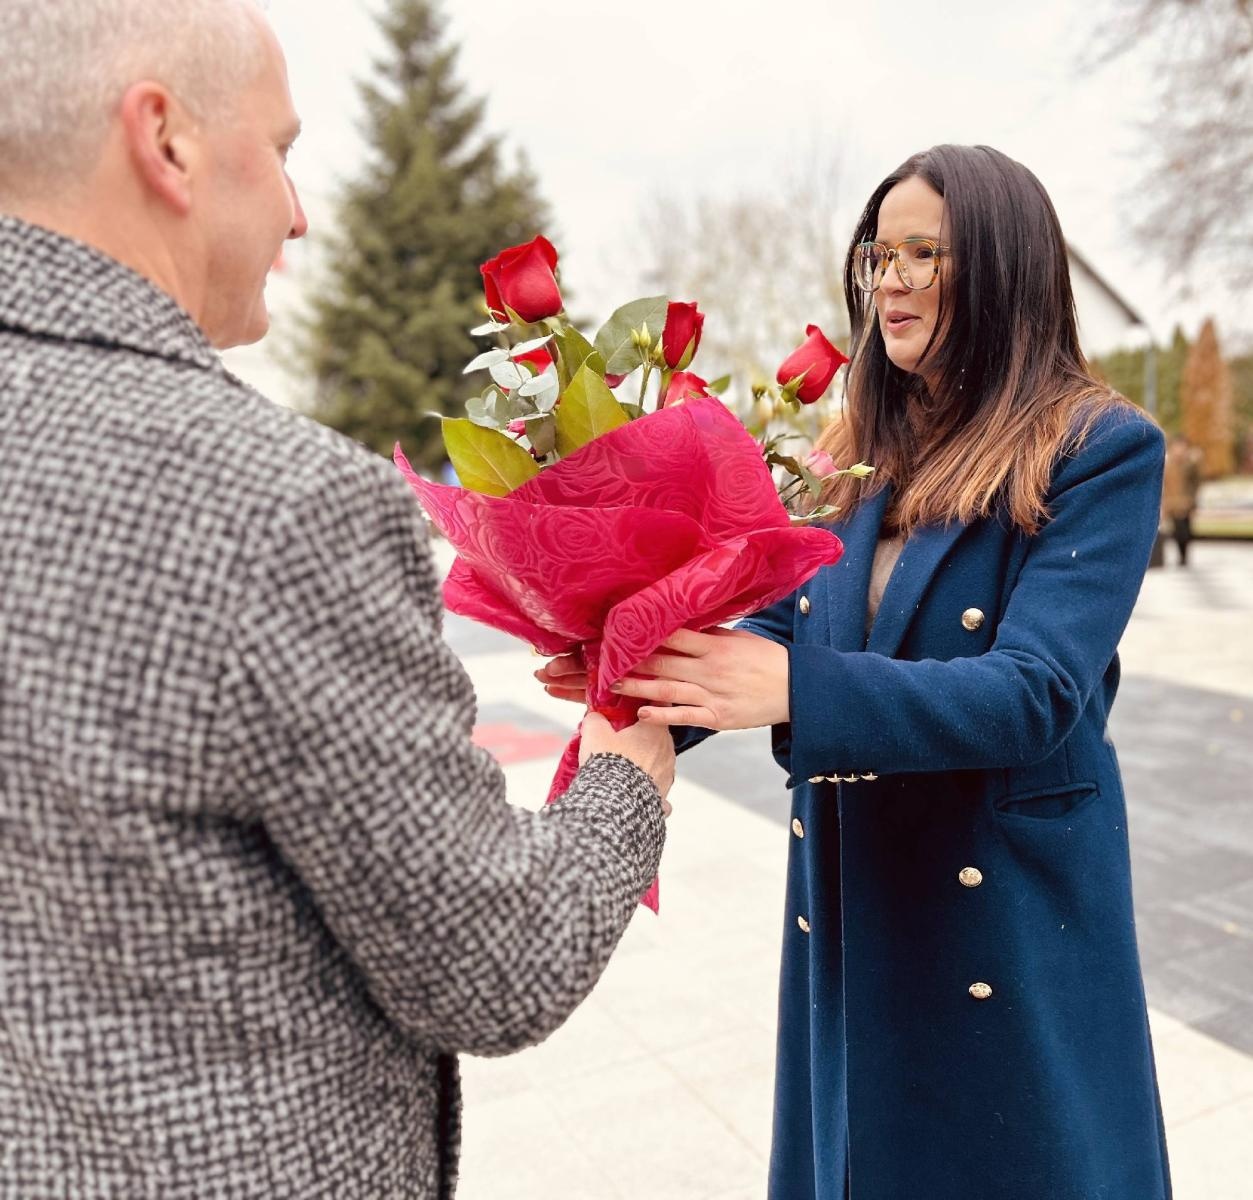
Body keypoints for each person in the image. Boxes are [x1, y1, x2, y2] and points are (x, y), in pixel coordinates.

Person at [0, 2, 674, 1196]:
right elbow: (494, 963)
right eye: (283, 148)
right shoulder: (275, 507)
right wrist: (629, 770)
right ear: (166, 142)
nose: (300, 215)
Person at [542, 145, 1171, 1198]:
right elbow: (794, 630)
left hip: (1006, 915)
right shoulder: (853, 444)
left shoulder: (1097, 447)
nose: (891, 278)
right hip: (856, 890)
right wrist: (645, 674)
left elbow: (1034, 693)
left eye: (927, 251)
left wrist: (795, 692)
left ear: (1006, 267)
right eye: (880, 252)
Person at [1161, 432, 1203, 565]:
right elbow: (1165, 483)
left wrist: (1193, 501)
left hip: (1186, 502)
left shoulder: (1191, 464)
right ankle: (1181, 555)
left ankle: (1184, 555)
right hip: (1172, 502)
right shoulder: (1168, 463)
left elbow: (1196, 483)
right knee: (1177, 531)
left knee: (1186, 531)